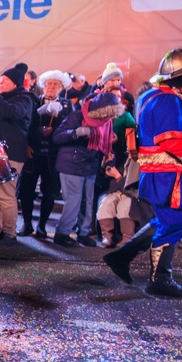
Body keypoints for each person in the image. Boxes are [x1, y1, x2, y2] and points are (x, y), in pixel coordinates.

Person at [103, 48, 182, 298]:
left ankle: (122, 257)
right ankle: (160, 279)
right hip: (169, 177)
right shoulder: (168, 100)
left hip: (161, 175)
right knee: (172, 224)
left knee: (164, 221)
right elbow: (173, 141)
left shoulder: (152, 96)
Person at [52, 92, 124, 247]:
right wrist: (76, 133)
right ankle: (62, 233)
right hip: (71, 164)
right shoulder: (77, 116)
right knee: (73, 201)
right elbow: (57, 137)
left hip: (90, 164)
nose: (106, 118)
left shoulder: (106, 123)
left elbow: (106, 146)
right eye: (105, 113)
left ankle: (83, 233)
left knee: (88, 201)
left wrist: (109, 153)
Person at [0, 63, 32, 243]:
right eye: (0, 81)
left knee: (6, 195)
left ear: (16, 83)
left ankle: (10, 233)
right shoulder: (1, 101)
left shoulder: (24, 99)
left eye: (5, 81)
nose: (0, 84)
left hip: (10, 153)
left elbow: (11, 112)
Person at [20, 70, 72, 239]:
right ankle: (27, 224)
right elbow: (25, 124)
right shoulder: (34, 102)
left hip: (54, 156)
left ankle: (42, 226)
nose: (51, 87)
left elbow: (70, 128)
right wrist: (27, 143)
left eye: (55, 84)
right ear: (43, 86)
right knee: (26, 191)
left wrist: (54, 131)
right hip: (33, 154)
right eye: (48, 83)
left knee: (49, 192)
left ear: (62, 87)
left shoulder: (68, 106)